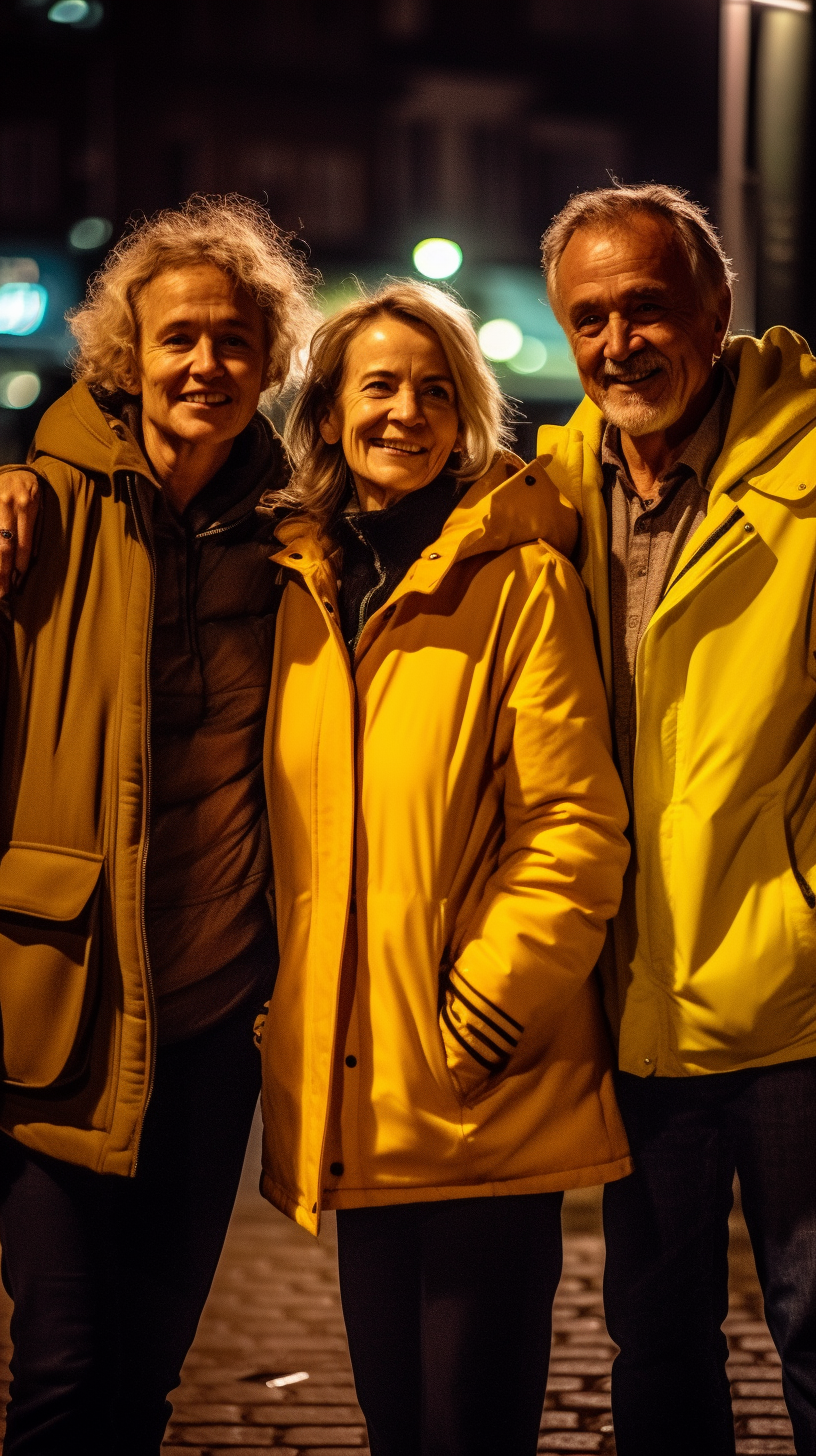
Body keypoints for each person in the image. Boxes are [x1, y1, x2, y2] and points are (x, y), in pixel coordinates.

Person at [255, 279, 631, 1456]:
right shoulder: (295, 585)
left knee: (470, 1425)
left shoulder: (519, 576)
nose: (404, 412)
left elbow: (573, 823)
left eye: (435, 391)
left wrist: (481, 1010)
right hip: (356, 1091)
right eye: (377, 387)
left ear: (466, 412)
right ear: (326, 414)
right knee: (394, 1423)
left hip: (476, 1078)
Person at [0, 194, 317, 1454]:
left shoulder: (291, 533)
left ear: (270, 358)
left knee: (144, 1379)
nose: (206, 364)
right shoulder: (38, 513)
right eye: (179, 337)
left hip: (207, 1023)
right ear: (127, 356)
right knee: (64, 1373)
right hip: (55, 1005)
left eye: (235, 340)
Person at [539, 181, 816, 1456]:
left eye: (646, 307)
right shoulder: (543, 488)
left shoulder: (810, 467)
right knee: (652, 1339)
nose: (616, 343)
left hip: (794, 1001)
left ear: (718, 307)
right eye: (587, 317)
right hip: (631, 1005)